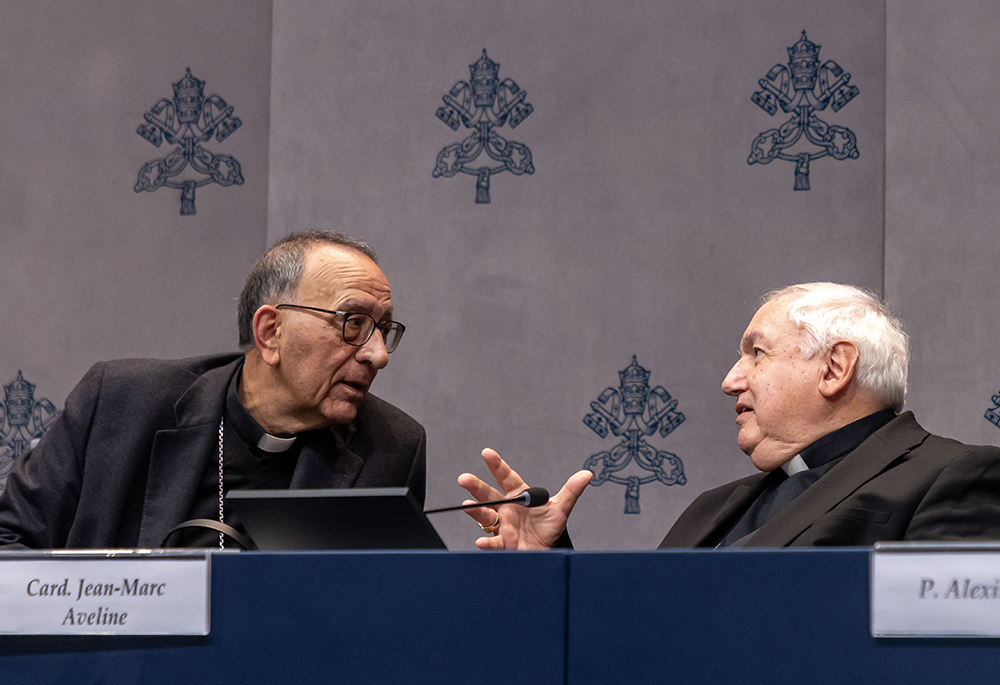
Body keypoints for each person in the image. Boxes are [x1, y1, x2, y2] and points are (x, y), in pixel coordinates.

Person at [459, 282, 1000, 549]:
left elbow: (939, 653)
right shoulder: (712, 507)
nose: (729, 381)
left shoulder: (954, 478)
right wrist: (549, 564)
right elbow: (636, 636)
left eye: (756, 353)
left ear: (835, 367)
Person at [0, 231, 425, 549]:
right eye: (354, 323)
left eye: (384, 330)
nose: (378, 355)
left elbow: (393, 606)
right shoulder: (120, 402)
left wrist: (491, 569)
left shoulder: (391, 447)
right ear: (271, 332)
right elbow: (10, 540)